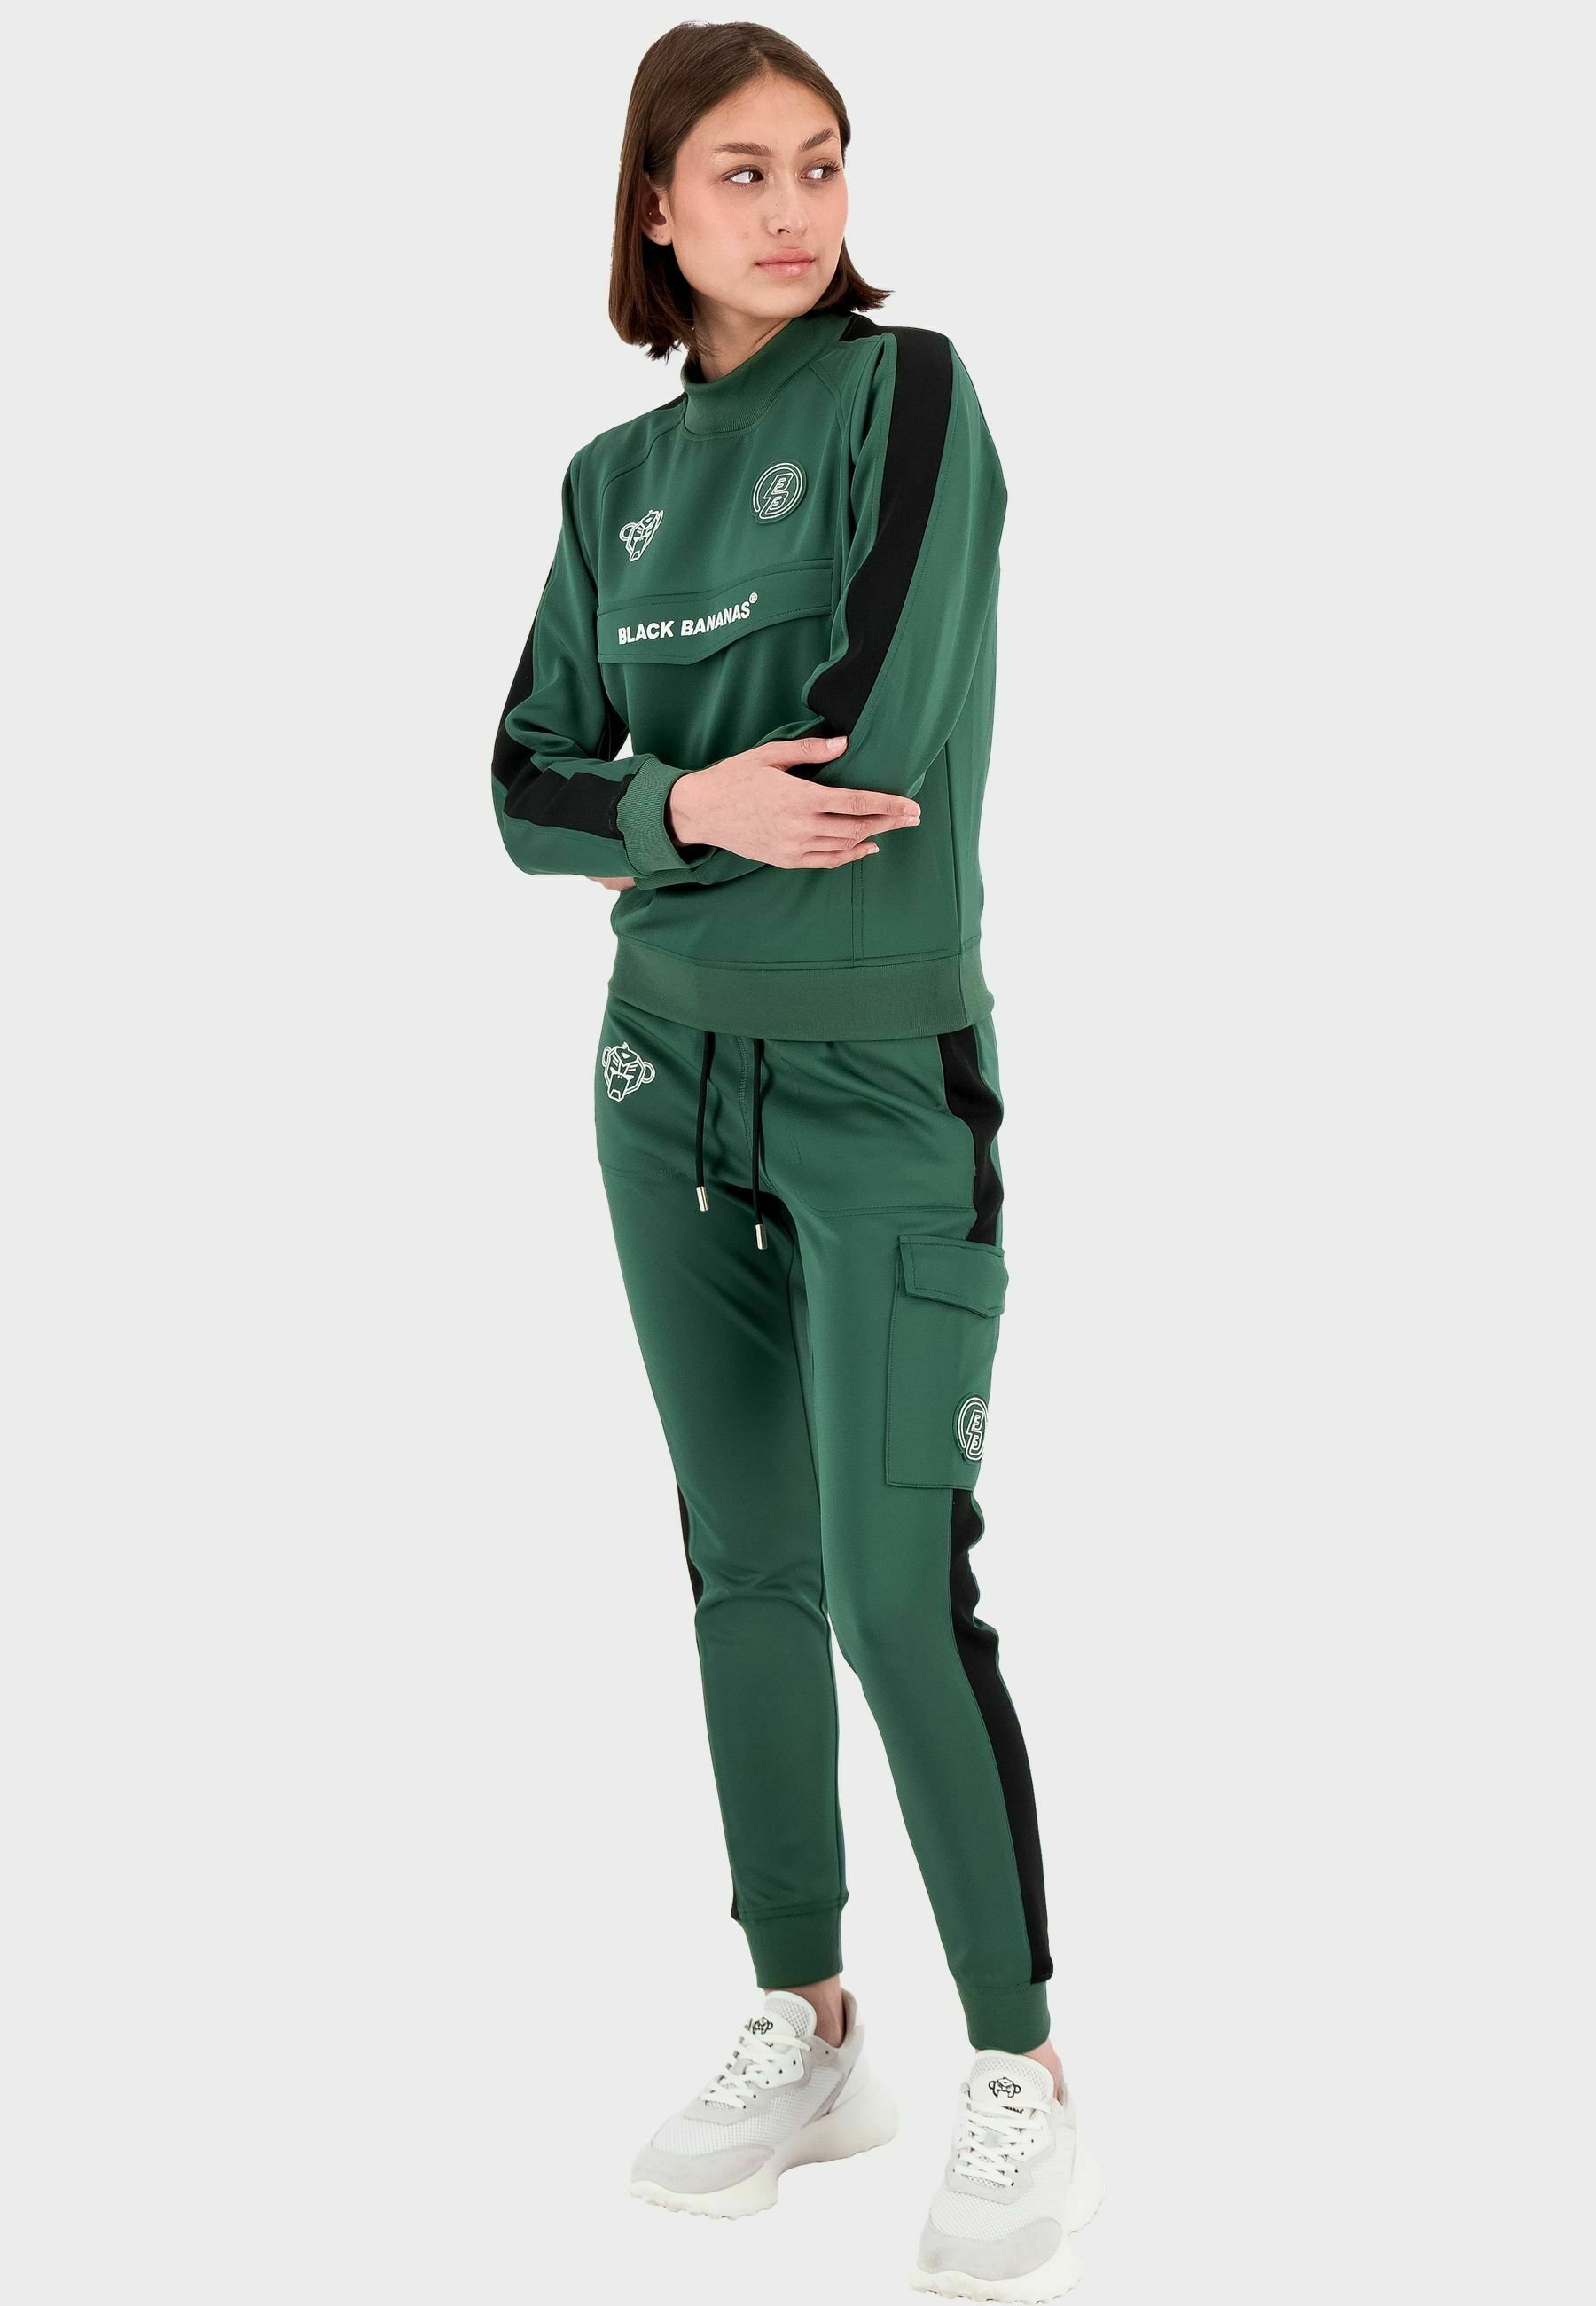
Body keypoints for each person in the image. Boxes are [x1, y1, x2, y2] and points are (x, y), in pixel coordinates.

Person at [490, 23, 1105, 2300]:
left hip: (878, 1083)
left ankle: (1023, 2060)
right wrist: (683, 805)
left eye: (821, 164)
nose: (790, 207)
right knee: (741, 1565)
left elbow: (868, 748)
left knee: (890, 1578)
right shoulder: (610, 482)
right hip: (659, 1082)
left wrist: (658, 811)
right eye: (740, 171)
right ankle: (807, 2017)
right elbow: (519, 785)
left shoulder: (908, 397)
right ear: (655, 209)